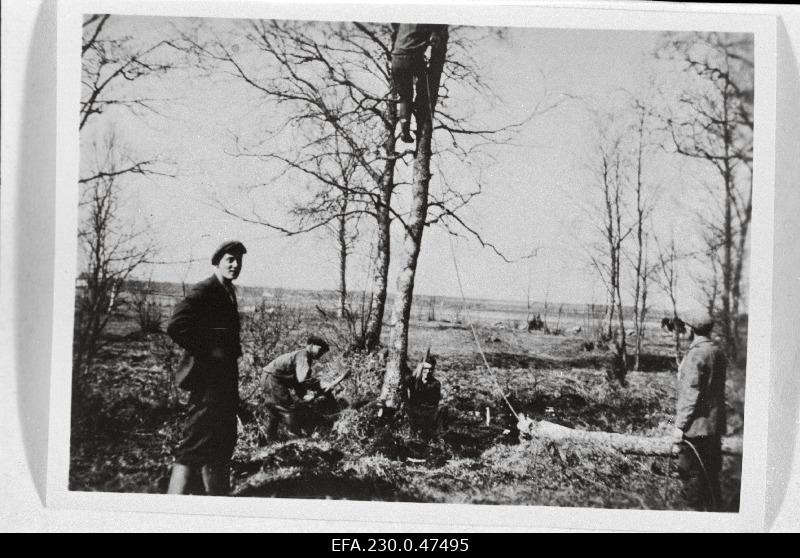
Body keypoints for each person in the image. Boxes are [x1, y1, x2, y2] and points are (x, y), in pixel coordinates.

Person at [165, 240, 247, 495]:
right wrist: (210, 351)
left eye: (238, 261)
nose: (234, 265)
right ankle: (170, 508)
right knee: (195, 440)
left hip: (225, 382)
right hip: (208, 382)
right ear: (218, 262)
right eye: (229, 260)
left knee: (223, 440)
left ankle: (218, 501)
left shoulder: (227, 291)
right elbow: (176, 325)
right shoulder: (205, 290)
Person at [671, 315, 728, 511]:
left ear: (691, 329)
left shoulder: (696, 354)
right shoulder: (717, 351)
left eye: (684, 327)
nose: (683, 330)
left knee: (692, 480)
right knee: (711, 481)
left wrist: (679, 426)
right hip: (713, 427)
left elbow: (691, 393)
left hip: (696, 428)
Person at [260, 336, 331, 441]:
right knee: (287, 409)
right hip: (273, 379)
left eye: (323, 352)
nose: (321, 354)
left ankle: (271, 441)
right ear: (311, 346)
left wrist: (304, 395)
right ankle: (298, 440)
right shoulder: (303, 355)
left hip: (269, 378)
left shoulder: (303, 357)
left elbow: (297, 383)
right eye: (320, 350)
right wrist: (320, 384)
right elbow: (303, 379)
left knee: (275, 412)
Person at [391, 23, 449, 143]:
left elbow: (394, 29)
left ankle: (404, 131)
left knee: (405, 97)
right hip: (412, 58)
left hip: (396, 59)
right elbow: (435, 40)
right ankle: (420, 110)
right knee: (424, 85)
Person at [405, 354, 446, 437]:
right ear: (421, 368)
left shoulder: (435, 384)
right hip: (413, 413)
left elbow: (433, 404)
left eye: (430, 369)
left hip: (427, 414)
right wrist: (416, 373)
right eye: (425, 369)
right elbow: (405, 382)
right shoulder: (414, 380)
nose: (427, 372)